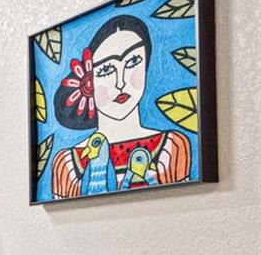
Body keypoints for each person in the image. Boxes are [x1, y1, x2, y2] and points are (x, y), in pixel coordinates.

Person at [49, 14, 190, 198]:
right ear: (89, 82)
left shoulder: (172, 147)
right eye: (107, 70)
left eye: (133, 62)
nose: (121, 82)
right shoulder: (67, 164)